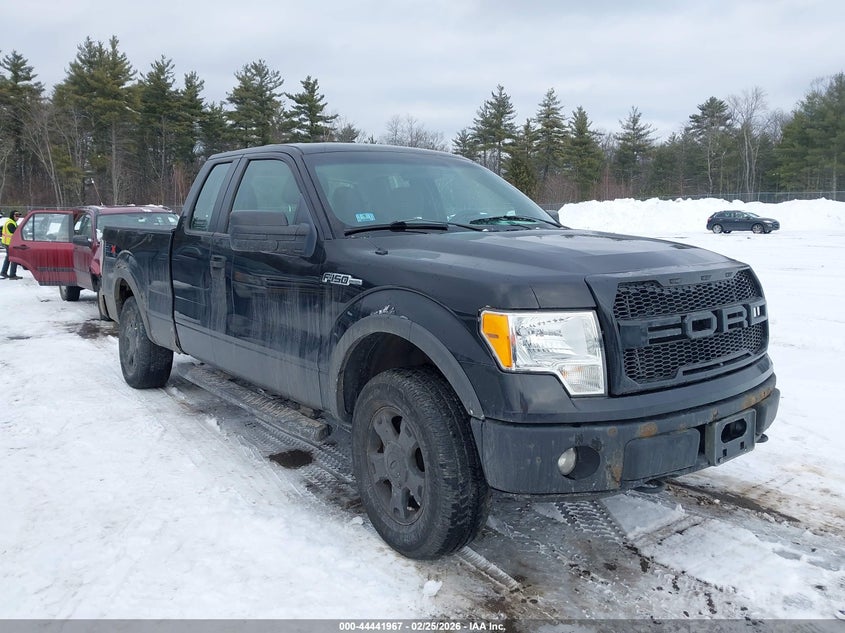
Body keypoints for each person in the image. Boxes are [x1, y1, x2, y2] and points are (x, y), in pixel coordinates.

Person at [1, 210, 23, 280]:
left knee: (8, 258)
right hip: (10, 243)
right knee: (14, 258)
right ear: (12, 216)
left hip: (9, 243)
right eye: (16, 215)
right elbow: (16, 232)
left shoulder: (12, 222)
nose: (18, 217)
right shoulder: (10, 223)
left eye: (19, 215)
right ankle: (12, 275)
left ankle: (3, 272)